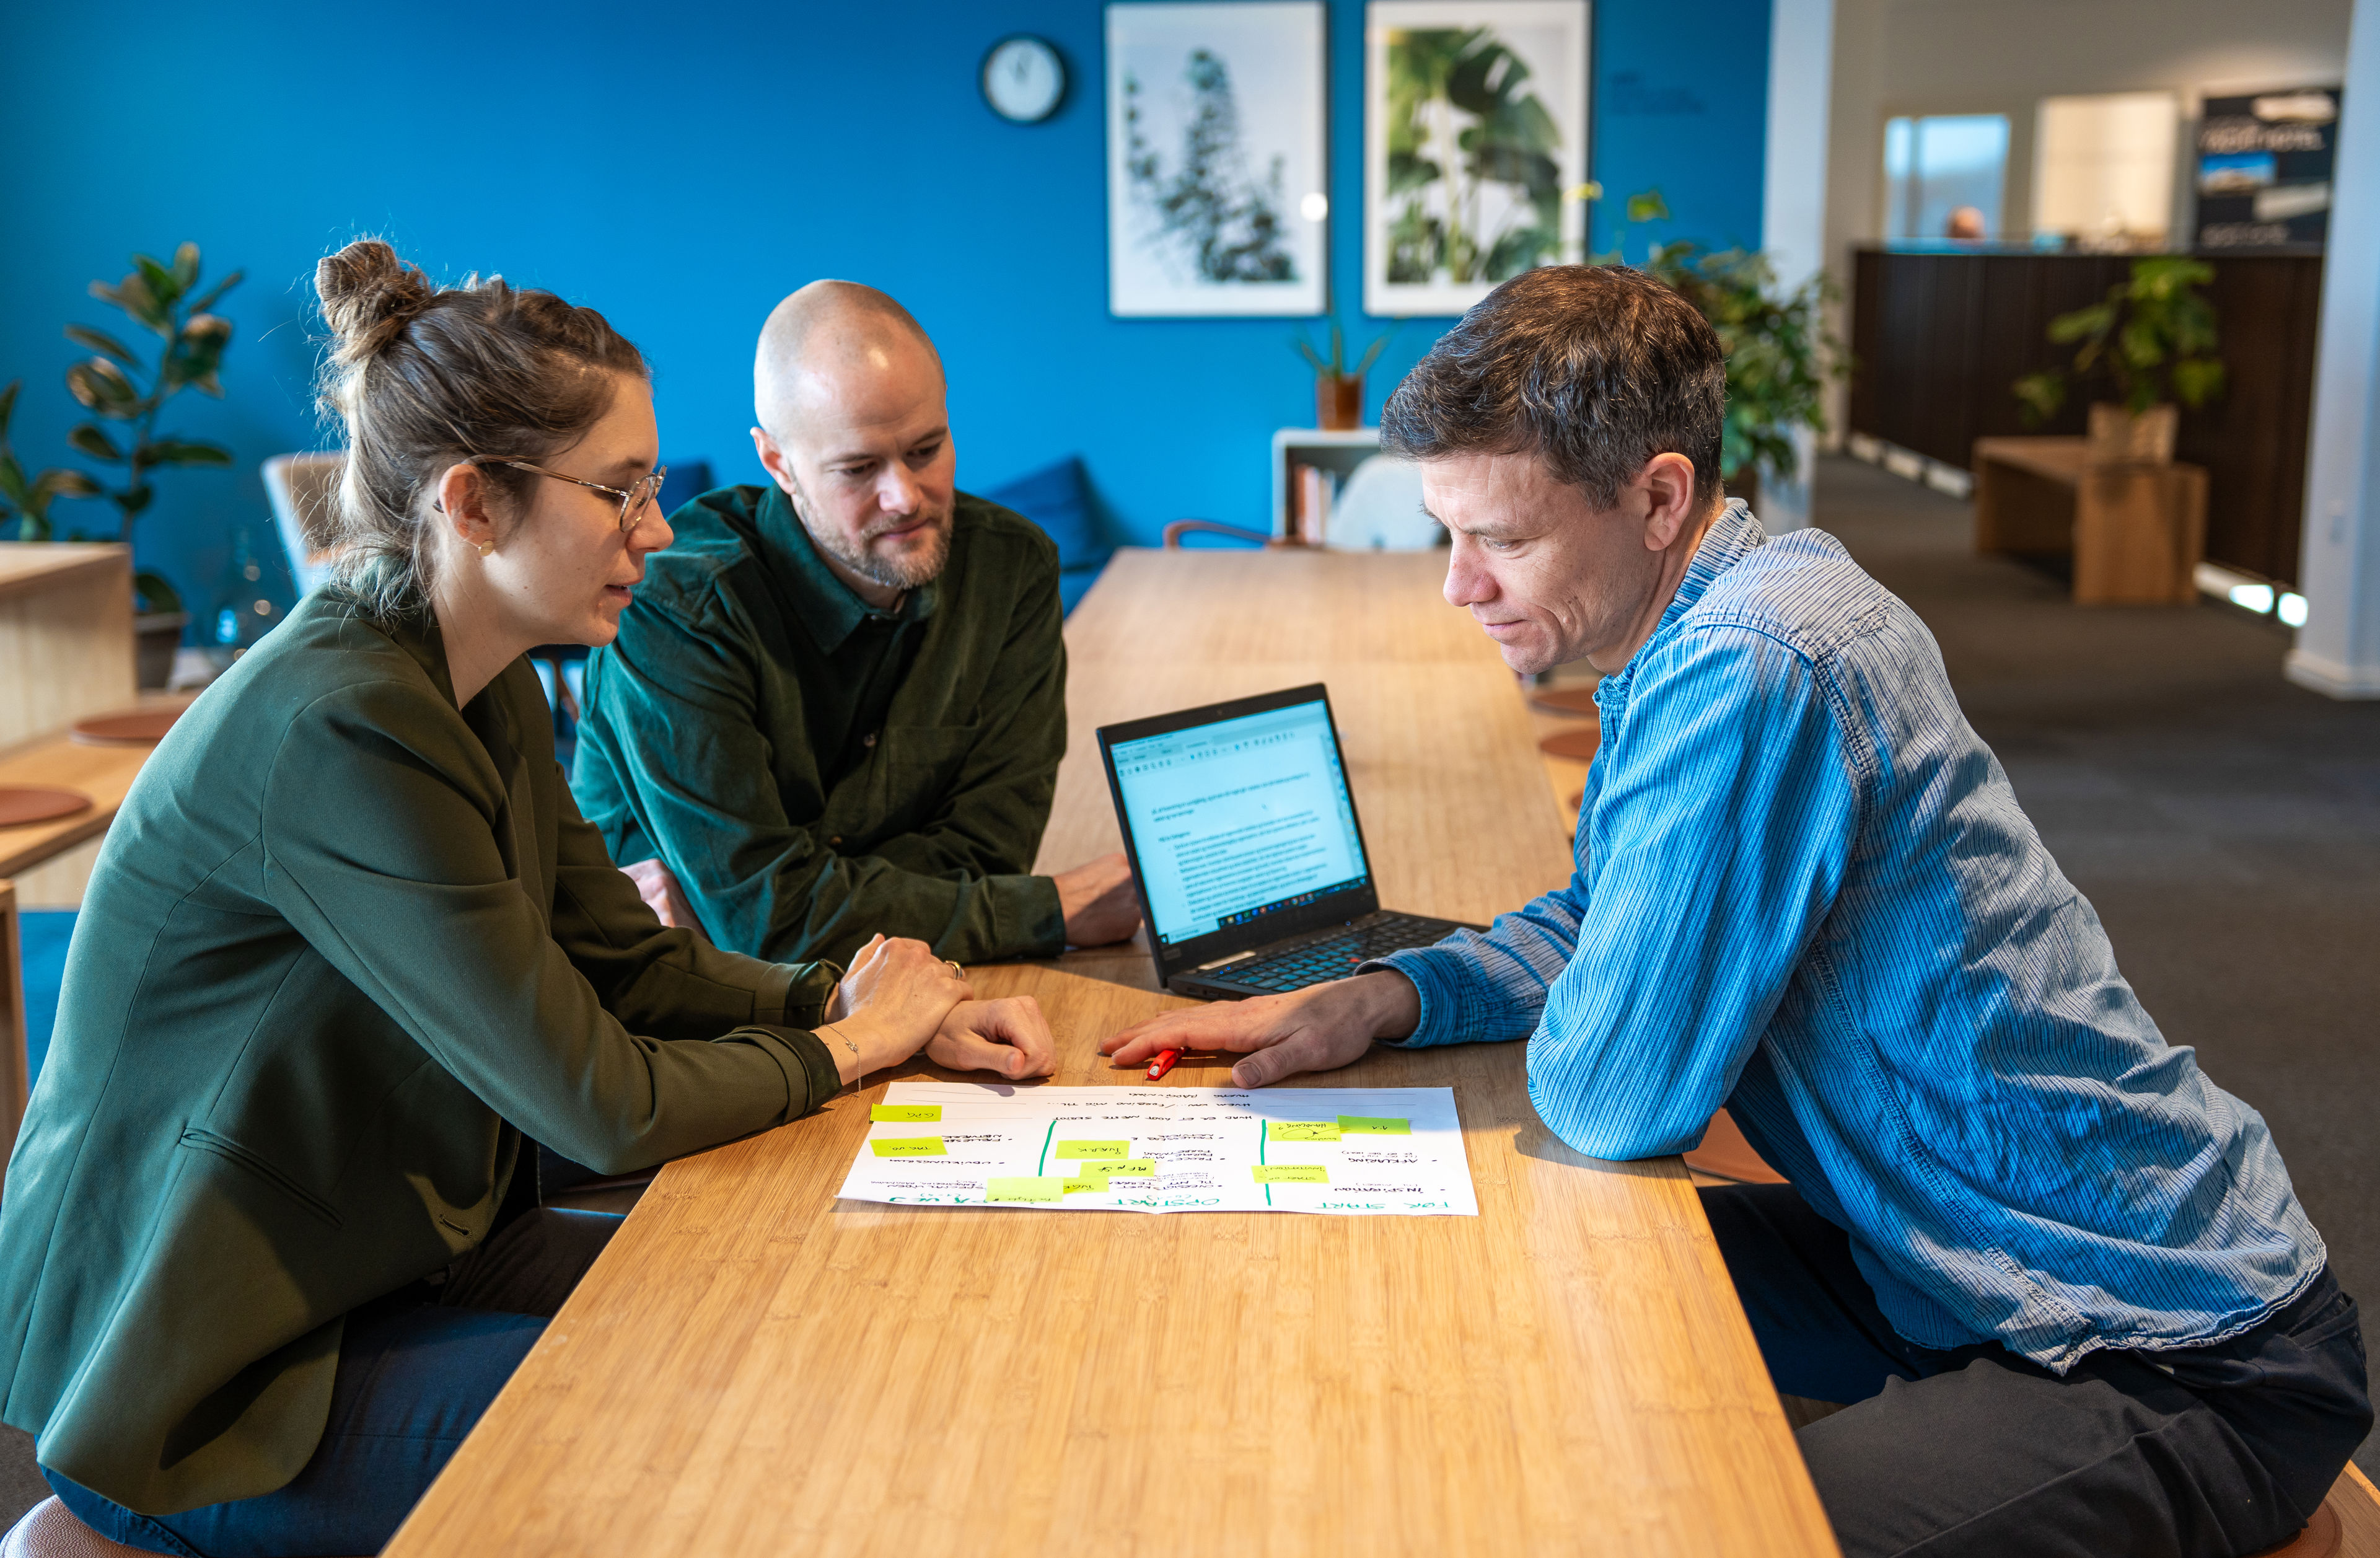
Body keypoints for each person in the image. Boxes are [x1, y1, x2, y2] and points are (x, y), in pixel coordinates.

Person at [1100, 265, 2369, 1557]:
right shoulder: (1710, 621)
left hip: (2172, 1348)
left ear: (1656, 498)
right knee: (1489, 1287)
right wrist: (1388, 993)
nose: (1457, 585)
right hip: (1931, 1265)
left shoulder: (1754, 662)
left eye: (1503, 539)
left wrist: (1609, 986)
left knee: (1722, 1529)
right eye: (1448, 533)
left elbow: (1612, 1098)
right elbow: (1606, 916)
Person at [0, 240, 1054, 1557]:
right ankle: (113, 1537)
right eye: (619, 493)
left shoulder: (477, 670)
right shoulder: (343, 724)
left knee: (822, 1314)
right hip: (206, 1374)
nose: (658, 531)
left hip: (385, 1259)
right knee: (743, 1446)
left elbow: (624, 960)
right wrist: (851, 1044)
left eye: (654, 486)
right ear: (473, 505)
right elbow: (599, 1105)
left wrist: (841, 997)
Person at [569, 281, 1139, 967]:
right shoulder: (676, 605)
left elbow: (989, 856)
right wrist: (1044, 908)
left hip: (909, 984)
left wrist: (799, 900)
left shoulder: (1010, 571)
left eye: (927, 450)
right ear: (778, 463)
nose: (905, 497)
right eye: (858, 468)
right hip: (670, 999)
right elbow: (771, 923)